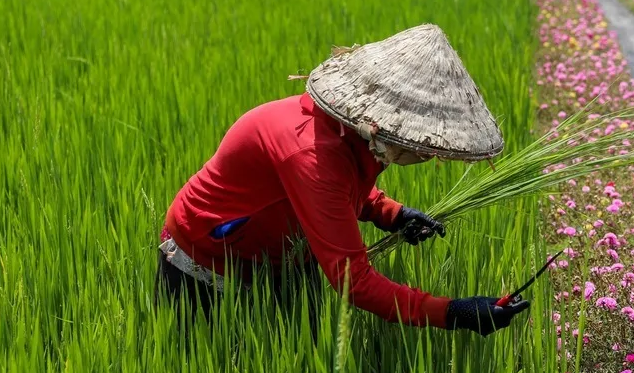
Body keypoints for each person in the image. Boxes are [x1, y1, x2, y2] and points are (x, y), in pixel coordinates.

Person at [156, 23, 530, 336]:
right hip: (207, 258)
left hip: (282, 251)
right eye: (424, 144)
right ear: (386, 129)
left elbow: (348, 190)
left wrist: (393, 214)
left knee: (297, 358)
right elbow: (355, 281)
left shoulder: (356, 136)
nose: (430, 153)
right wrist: (454, 313)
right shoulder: (311, 154)